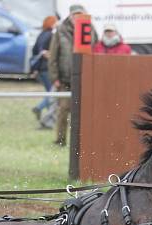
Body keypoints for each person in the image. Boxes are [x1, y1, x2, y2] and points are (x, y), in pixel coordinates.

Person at [49, 4, 95, 147]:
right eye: (75, 15)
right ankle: (60, 140)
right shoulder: (60, 31)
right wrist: (54, 78)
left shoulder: (90, 30)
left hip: (84, 79)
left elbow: (95, 50)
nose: (77, 17)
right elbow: (53, 56)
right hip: (65, 80)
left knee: (83, 113)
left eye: (80, 14)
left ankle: (81, 143)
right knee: (63, 110)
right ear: (70, 16)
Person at [30, 15, 56, 126]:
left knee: (50, 93)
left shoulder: (41, 34)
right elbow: (47, 52)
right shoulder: (51, 35)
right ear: (51, 23)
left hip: (40, 68)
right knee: (53, 94)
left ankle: (50, 118)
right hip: (47, 67)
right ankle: (39, 108)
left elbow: (35, 50)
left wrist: (35, 69)